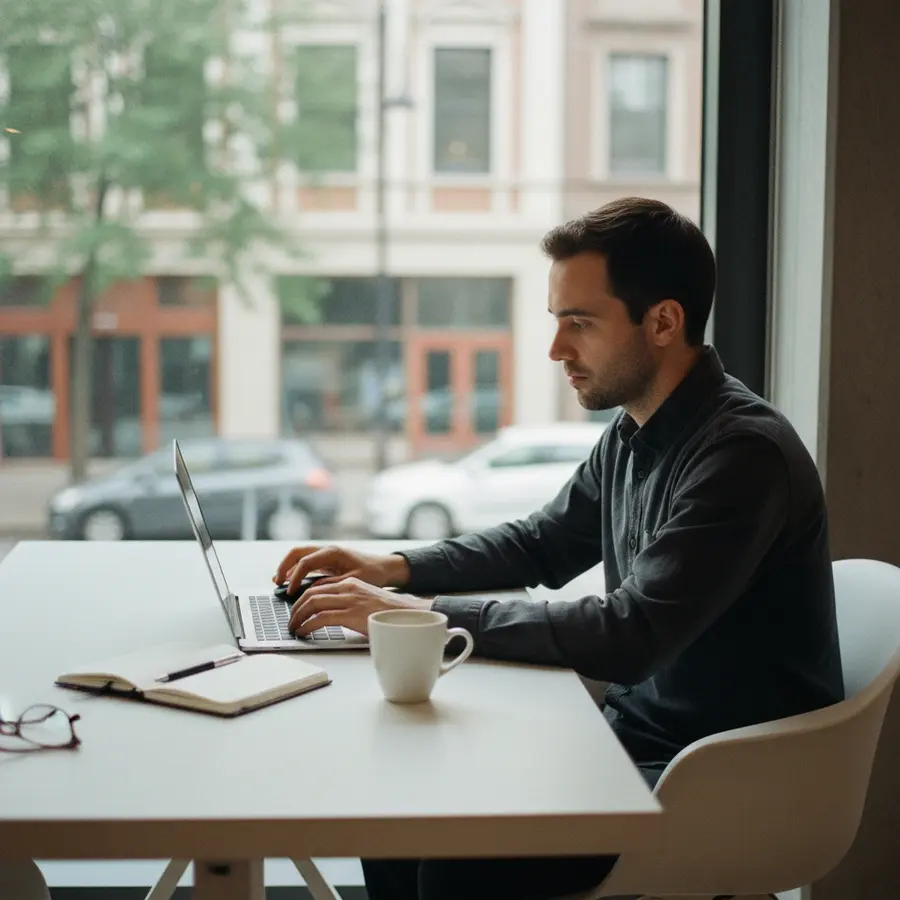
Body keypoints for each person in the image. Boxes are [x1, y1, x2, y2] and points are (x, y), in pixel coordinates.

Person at [274, 197, 845, 900]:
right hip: (631, 742)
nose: (556, 349)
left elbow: (629, 634)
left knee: (454, 862)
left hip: (719, 779)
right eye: (557, 321)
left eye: (580, 323)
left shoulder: (741, 456)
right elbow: (542, 543)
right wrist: (392, 566)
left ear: (663, 322)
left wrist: (417, 616)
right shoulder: (636, 431)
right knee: (403, 807)